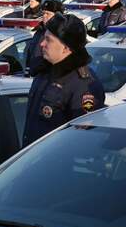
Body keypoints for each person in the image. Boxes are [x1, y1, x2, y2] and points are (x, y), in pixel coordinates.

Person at [22, 14, 105, 146]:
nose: (42, 44)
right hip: (33, 155)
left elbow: (82, 139)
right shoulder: (45, 72)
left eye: (48, 40)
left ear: (66, 48)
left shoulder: (83, 84)